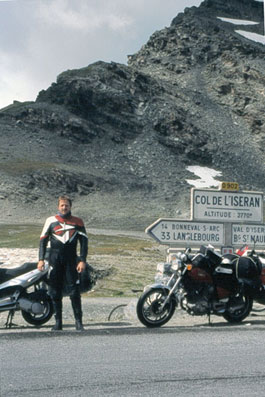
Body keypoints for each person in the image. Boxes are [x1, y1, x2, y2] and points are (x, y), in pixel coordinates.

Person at [37, 195, 88, 331]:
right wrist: (41, 259)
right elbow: (42, 241)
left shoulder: (78, 222)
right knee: (54, 291)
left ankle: (78, 322)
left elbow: (84, 243)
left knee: (74, 291)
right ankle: (58, 322)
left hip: (72, 260)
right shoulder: (51, 221)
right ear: (58, 207)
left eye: (66, 205)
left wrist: (82, 260)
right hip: (54, 259)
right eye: (62, 205)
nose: (64, 207)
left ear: (70, 206)